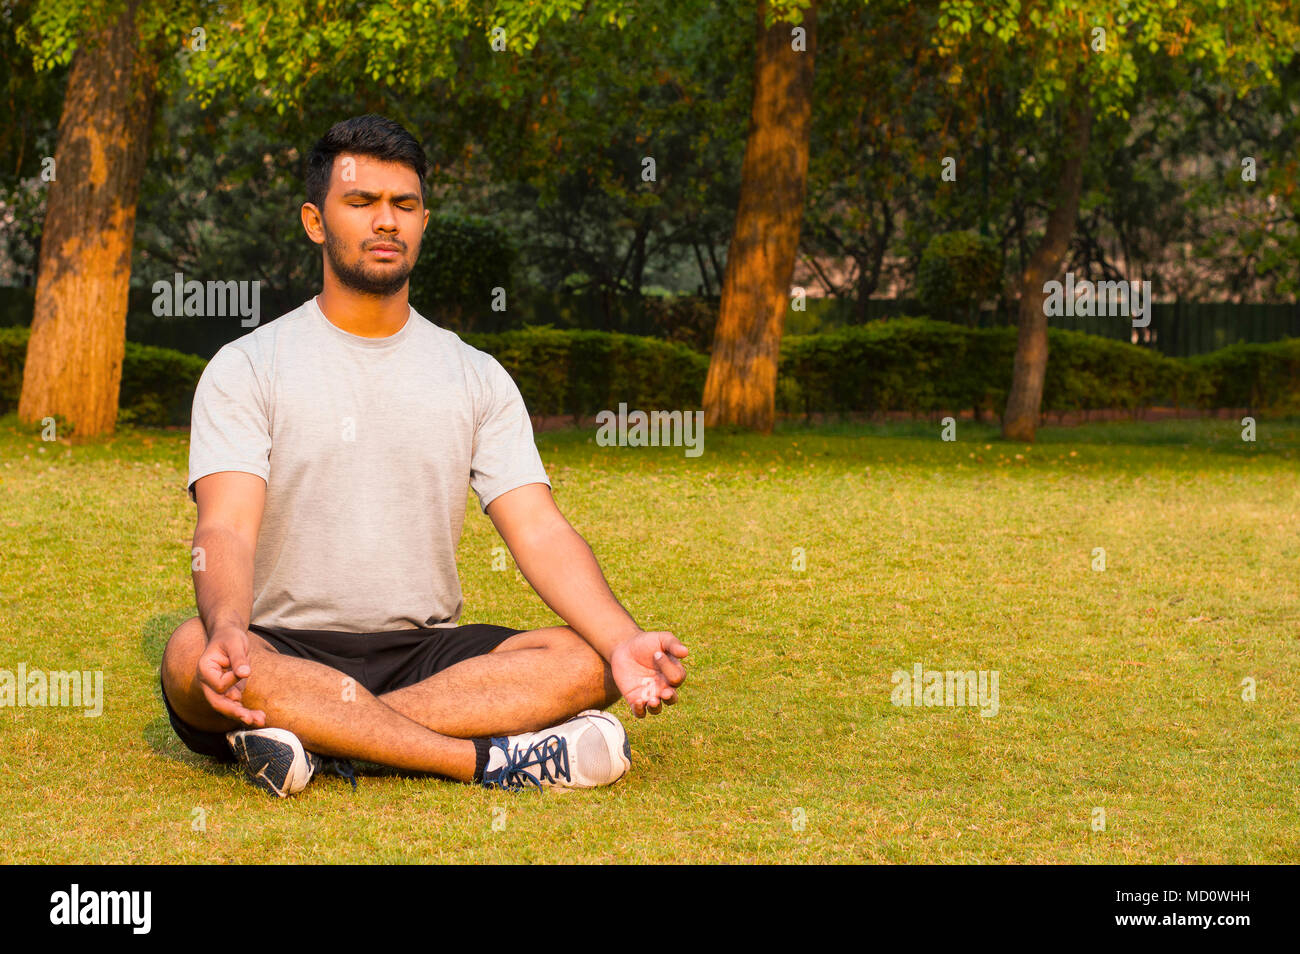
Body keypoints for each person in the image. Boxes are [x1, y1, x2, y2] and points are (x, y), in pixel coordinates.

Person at [160, 114, 689, 796]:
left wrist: (622, 641)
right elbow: (225, 526)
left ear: (423, 221)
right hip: (280, 646)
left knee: (585, 661)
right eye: (362, 202)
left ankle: (312, 740)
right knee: (190, 652)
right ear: (315, 221)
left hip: (424, 654)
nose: (386, 221)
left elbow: (538, 528)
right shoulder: (248, 367)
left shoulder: (474, 374)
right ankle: (483, 763)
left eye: (403, 205)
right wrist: (230, 627)